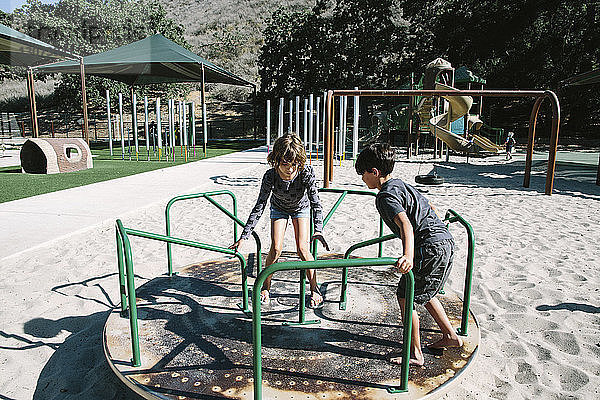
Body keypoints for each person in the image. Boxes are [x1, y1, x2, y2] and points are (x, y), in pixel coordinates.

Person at [355, 143, 463, 366]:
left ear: (374, 172)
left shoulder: (385, 196)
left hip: (429, 247)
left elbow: (405, 224)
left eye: (363, 174)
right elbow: (430, 207)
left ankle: (415, 354)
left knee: (407, 297)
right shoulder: (400, 185)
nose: (362, 179)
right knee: (424, 291)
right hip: (444, 241)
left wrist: (408, 255)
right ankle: (451, 336)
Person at [230, 133, 329, 308]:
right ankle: (265, 286)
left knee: (302, 248)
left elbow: (316, 203)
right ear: (276, 160)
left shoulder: (306, 173)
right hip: (279, 208)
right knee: (275, 248)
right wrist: (244, 236)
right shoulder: (270, 176)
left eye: (294, 164)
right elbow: (259, 205)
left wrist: (319, 229)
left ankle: (314, 288)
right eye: (285, 164)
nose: (290, 169)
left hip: (301, 207)